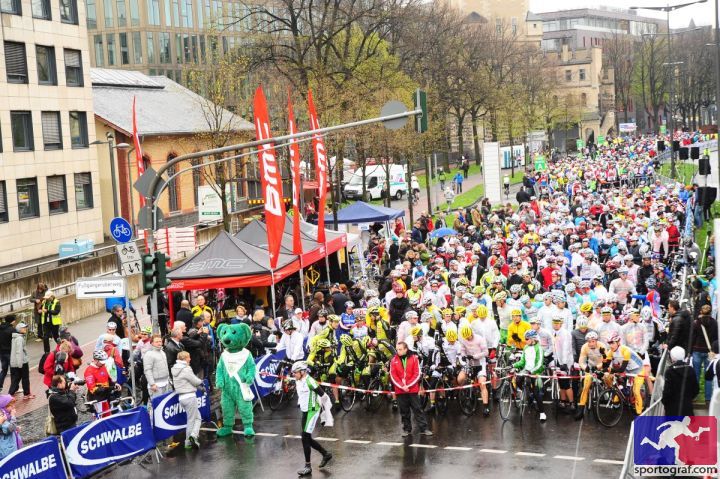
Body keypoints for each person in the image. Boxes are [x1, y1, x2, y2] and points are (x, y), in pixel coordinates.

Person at [292, 360, 333, 477]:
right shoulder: (298, 380)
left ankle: (308, 466)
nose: (293, 375)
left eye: (295, 372)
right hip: (305, 411)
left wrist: (325, 413)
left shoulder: (310, 381)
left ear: (302, 372)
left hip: (313, 411)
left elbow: (324, 396)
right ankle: (326, 454)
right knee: (306, 437)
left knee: (304, 437)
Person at [389, 341, 432, 437]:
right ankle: (406, 429)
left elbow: (417, 374)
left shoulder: (414, 358)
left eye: (400, 349)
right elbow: (393, 375)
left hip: (412, 390)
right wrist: (401, 386)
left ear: (406, 349)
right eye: (397, 349)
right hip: (400, 391)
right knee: (404, 411)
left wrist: (408, 385)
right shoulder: (393, 360)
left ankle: (424, 428)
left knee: (418, 409)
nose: (398, 351)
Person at [172, 351, 204, 449]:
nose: (190, 359)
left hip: (182, 398)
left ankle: (192, 437)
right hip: (190, 397)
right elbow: (195, 381)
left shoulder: (175, 369)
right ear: (185, 358)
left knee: (197, 418)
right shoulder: (186, 369)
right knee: (192, 420)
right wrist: (202, 382)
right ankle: (190, 439)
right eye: (189, 357)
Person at [512, 329, 547, 422]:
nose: (525, 340)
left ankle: (542, 413)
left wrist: (532, 372)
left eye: (527, 339)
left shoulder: (538, 348)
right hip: (526, 370)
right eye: (525, 339)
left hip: (535, 372)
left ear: (533, 339)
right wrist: (513, 365)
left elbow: (539, 363)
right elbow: (522, 361)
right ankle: (526, 392)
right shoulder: (526, 347)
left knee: (536, 393)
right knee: (518, 380)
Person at [662, 346, 699, 416]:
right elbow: (696, 389)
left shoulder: (670, 371)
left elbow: (667, 392)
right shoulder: (691, 370)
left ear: (672, 357)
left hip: (672, 409)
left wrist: (665, 401)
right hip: (687, 408)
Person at [8, 322, 34, 399]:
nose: (25, 328)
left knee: (16, 378)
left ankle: (10, 394)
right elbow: (19, 352)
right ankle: (27, 394)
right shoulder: (19, 338)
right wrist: (20, 364)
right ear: (19, 329)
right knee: (25, 378)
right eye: (23, 328)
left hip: (16, 362)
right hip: (22, 362)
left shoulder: (15, 337)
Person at [144, 335, 171, 399]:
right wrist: (152, 384)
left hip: (166, 383)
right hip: (156, 385)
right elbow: (147, 370)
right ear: (152, 343)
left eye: (160, 341)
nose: (159, 343)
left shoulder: (163, 352)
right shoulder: (149, 354)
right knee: (156, 406)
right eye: (157, 342)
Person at [0, 395, 20, 459]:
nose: (13, 407)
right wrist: (13, 416)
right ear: (4, 407)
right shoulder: (2, 418)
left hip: (9, 447)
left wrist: (16, 428)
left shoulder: (6, 416)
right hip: (7, 450)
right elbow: (10, 429)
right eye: (11, 406)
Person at [0, 315, 14, 392]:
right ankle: (14, 387)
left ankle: (0, 386)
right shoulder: (12, 329)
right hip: (9, 352)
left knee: (4, 370)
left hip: (2, 352)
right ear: (12, 321)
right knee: (13, 371)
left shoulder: (1, 328)